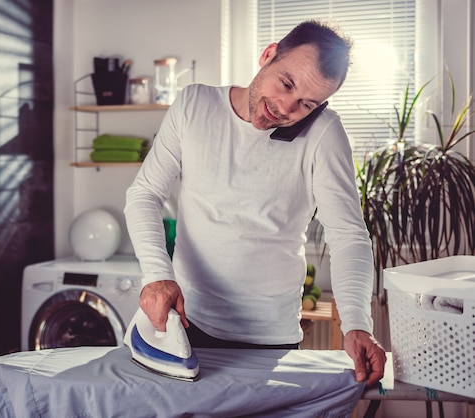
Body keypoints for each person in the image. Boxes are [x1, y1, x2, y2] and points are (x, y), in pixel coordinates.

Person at [124, 20, 386, 387]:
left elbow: (349, 237)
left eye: (306, 104)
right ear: (268, 55)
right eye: (286, 83)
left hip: (270, 338)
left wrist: (358, 322)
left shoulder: (324, 133)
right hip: (186, 323)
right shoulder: (193, 105)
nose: (286, 108)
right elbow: (144, 194)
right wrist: (157, 275)